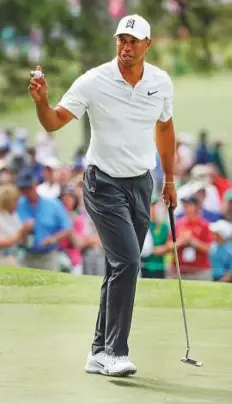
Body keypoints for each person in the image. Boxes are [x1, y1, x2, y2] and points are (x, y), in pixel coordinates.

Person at [28, 14, 177, 377]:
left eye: (133, 41)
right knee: (129, 261)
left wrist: (169, 180)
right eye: (121, 40)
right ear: (116, 43)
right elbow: (53, 121)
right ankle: (115, 352)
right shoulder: (94, 81)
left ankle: (97, 351)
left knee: (117, 266)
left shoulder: (160, 82)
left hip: (141, 183)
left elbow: (165, 127)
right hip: (102, 183)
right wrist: (42, 101)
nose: (126, 47)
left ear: (147, 45)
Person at [16, 168, 71, 271]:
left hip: (48, 255)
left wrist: (53, 238)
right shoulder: (18, 205)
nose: (26, 192)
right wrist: (23, 231)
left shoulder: (53, 204)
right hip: (26, 255)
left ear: (35, 185)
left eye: (29, 188)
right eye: (23, 189)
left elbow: (66, 227)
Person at [0, 184, 33, 265]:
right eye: (15, 201)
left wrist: (26, 231)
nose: (17, 203)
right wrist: (22, 231)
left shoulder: (15, 215)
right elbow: (3, 243)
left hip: (15, 257)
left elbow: (23, 242)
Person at [141, 195, 169, 279]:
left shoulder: (163, 226)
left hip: (159, 267)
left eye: (154, 206)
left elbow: (167, 245)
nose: (152, 209)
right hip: (143, 265)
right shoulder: (142, 225)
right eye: (150, 206)